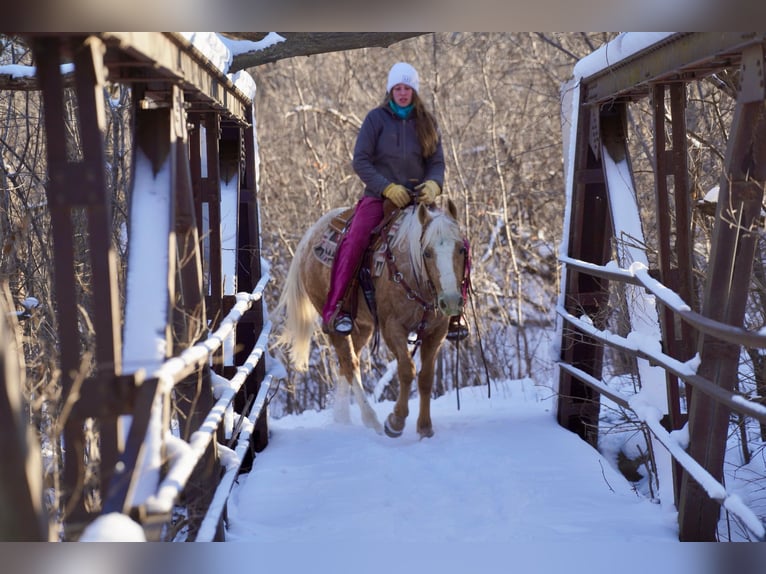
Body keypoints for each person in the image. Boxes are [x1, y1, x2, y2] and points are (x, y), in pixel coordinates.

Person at [322, 61, 454, 337]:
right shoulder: (375, 119)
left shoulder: (427, 122)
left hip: (420, 201)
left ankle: (454, 314)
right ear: (390, 90)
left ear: (414, 91)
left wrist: (434, 185)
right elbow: (361, 161)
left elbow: (437, 163)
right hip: (380, 199)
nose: (403, 93)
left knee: (454, 241)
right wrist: (386, 187)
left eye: (407, 88)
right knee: (355, 241)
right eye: (398, 88)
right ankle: (341, 308)